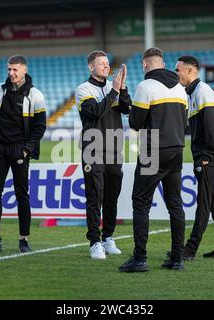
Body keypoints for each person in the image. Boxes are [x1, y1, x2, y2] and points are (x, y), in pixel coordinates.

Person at [119, 47, 188, 272]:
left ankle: (140, 258)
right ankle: (177, 258)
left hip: (153, 149)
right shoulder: (180, 87)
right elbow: (184, 120)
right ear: (162, 62)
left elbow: (135, 123)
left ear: (145, 65)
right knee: (175, 204)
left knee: (140, 203)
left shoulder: (145, 86)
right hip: (177, 148)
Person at [0, 55, 46, 254]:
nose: (11, 73)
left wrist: (26, 149)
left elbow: (40, 127)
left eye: (15, 70)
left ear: (24, 70)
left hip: (19, 149)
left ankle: (23, 240)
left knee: (21, 194)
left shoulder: (35, 95)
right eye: (9, 69)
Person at [174, 55, 214, 259]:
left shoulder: (202, 91)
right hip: (211, 154)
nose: (176, 73)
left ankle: (189, 249)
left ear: (190, 71)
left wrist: (206, 155)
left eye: (178, 70)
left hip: (210, 155)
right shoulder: (193, 93)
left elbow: (211, 126)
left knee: (205, 201)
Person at [75, 50, 131, 260]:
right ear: (91, 67)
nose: (107, 67)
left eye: (108, 63)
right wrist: (114, 92)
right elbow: (96, 111)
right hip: (93, 149)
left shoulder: (113, 88)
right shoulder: (83, 89)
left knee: (111, 197)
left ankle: (108, 237)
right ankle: (94, 242)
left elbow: (127, 109)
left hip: (114, 149)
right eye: (102, 64)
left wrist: (122, 89)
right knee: (95, 196)